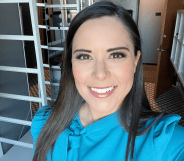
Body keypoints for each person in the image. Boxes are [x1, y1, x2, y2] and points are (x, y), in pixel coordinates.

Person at [31, 1, 184, 161]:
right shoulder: (44, 122)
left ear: (135, 61)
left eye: (116, 55)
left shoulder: (166, 141)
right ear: (71, 64)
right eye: (84, 56)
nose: (100, 74)